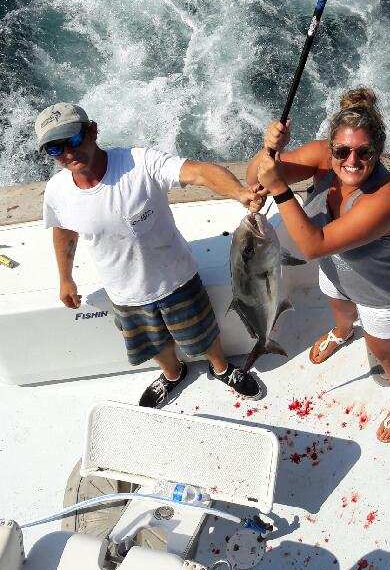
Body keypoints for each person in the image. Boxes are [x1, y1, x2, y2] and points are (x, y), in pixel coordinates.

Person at [36, 102, 264, 408]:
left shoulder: (140, 162)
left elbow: (197, 172)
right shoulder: (57, 191)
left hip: (176, 279)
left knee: (204, 335)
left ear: (92, 131)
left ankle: (221, 368)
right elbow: (63, 231)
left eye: (73, 140)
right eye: (55, 148)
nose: (67, 153)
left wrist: (239, 192)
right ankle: (172, 374)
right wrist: (65, 278)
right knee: (154, 345)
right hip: (124, 294)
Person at [247, 87, 390, 443]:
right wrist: (269, 150)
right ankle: (343, 332)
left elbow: (313, 245)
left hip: (384, 289)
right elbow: (254, 178)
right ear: (331, 148)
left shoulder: (386, 196)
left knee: (385, 352)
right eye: (342, 151)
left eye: (363, 152)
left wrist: (281, 189)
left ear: (378, 152)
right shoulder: (320, 156)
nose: (351, 160)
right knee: (339, 310)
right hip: (337, 270)